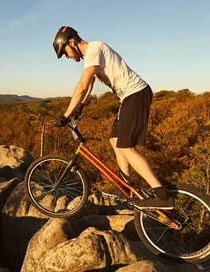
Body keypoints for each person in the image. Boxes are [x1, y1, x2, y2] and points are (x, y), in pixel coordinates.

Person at [51, 26, 173, 209]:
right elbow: (89, 84)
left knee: (126, 148)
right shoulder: (92, 56)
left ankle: (162, 195)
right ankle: (125, 184)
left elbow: (83, 85)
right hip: (129, 97)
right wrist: (80, 107)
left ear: (71, 42)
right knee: (115, 140)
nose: (67, 56)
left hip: (136, 93)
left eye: (64, 51)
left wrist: (66, 115)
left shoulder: (94, 48)